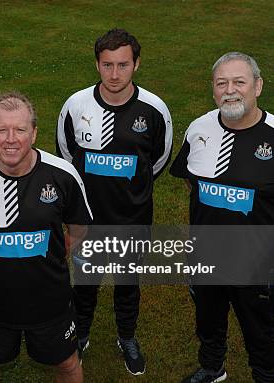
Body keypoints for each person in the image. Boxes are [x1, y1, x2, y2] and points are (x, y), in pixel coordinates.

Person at [170, 52, 274, 383]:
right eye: (221, 83)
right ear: (213, 89)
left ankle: (266, 376)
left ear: (258, 86)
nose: (230, 90)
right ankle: (212, 367)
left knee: (260, 328)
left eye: (239, 81)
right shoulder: (198, 129)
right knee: (208, 318)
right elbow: (191, 179)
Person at [0, 92, 93, 383]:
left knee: (67, 364)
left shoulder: (63, 175)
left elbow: (79, 228)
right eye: (1, 130)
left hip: (50, 300)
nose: (10, 139)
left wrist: (54, 251)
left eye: (20, 129)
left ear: (35, 133)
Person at [56, 28, 173, 375]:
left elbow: (159, 158)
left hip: (132, 216)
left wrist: (133, 188)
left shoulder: (154, 109)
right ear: (97, 64)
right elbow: (67, 157)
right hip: (86, 219)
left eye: (123, 65)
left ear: (137, 64)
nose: (115, 74)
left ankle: (127, 336)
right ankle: (80, 333)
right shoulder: (75, 105)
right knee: (85, 281)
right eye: (107, 65)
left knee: (127, 282)